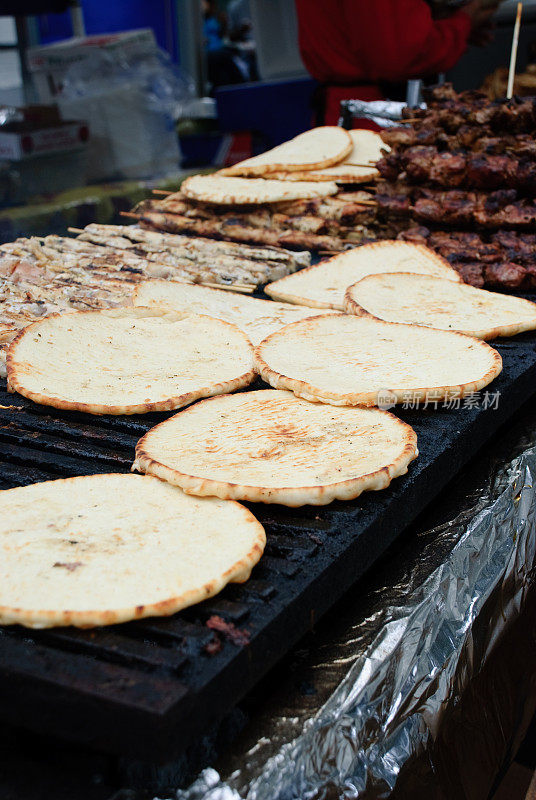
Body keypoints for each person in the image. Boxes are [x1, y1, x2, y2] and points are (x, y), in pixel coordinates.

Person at [295, 0, 502, 125]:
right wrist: (463, 22)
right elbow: (402, 55)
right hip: (372, 118)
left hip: (353, 110)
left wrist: (446, 27)